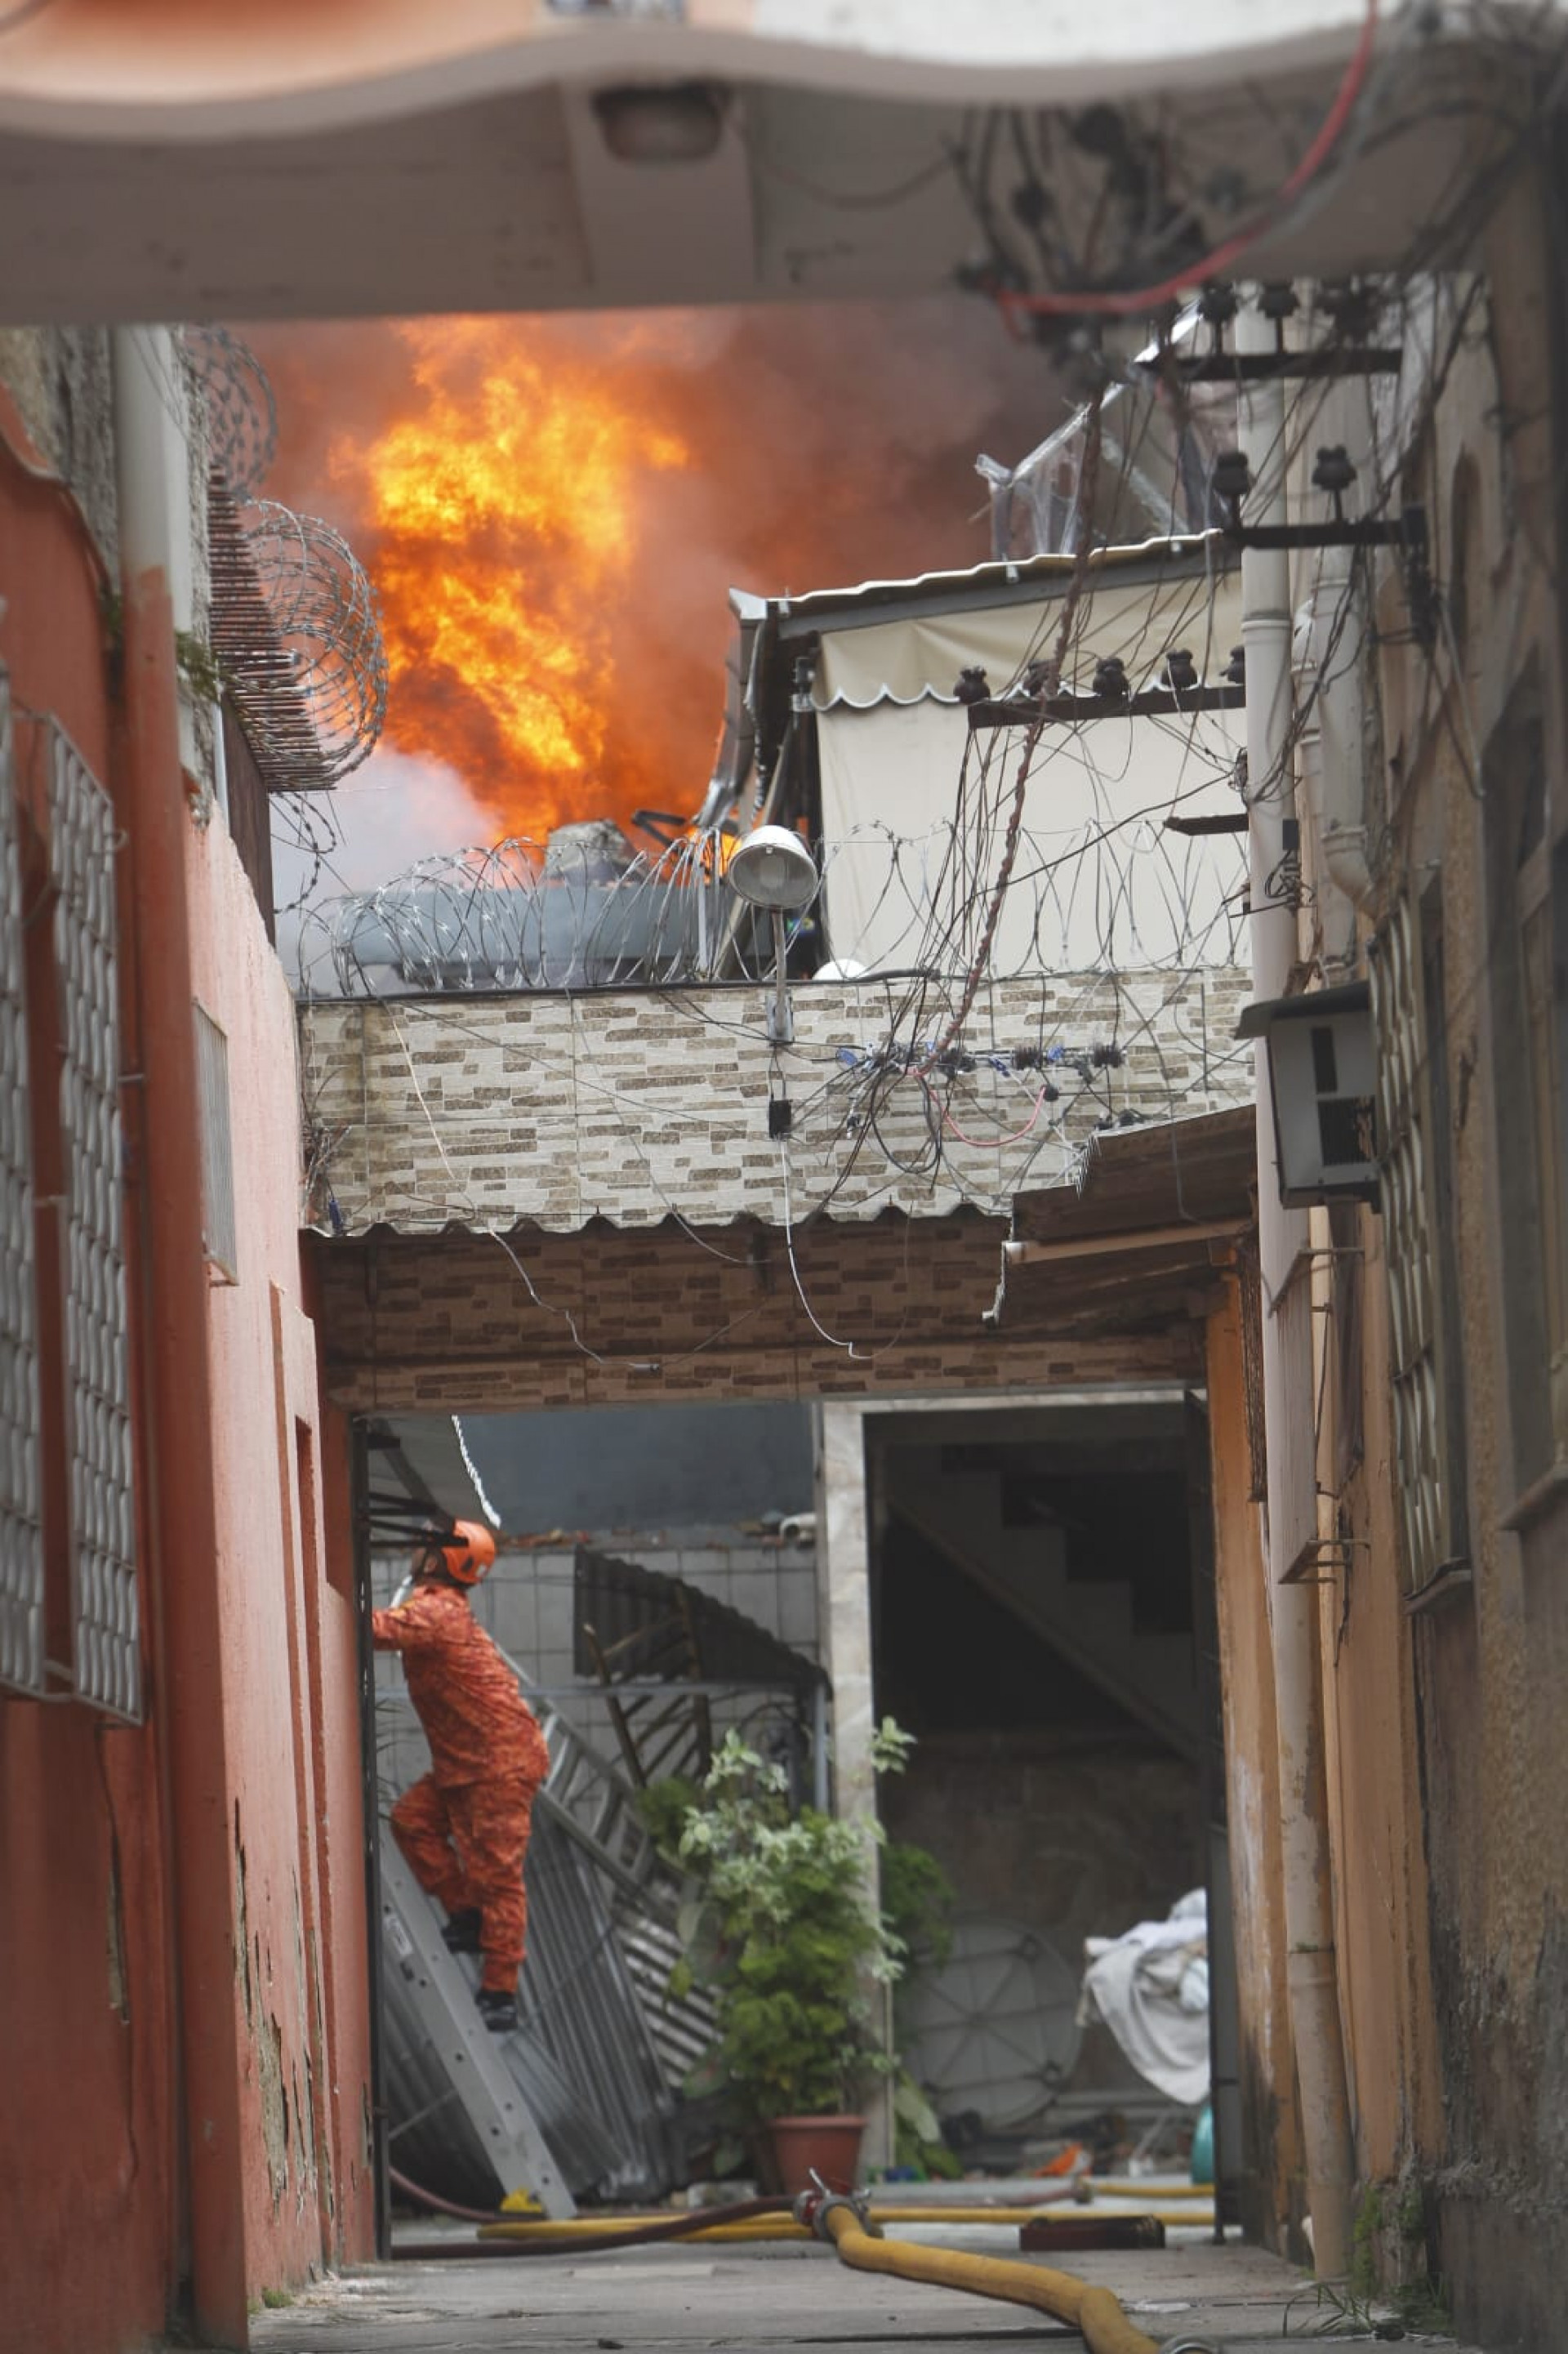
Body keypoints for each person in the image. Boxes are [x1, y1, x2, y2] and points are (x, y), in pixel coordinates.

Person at [372, 1519, 549, 2033]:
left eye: (423, 1547)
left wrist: (320, 1602)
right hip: (468, 1764)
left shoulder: (438, 1611)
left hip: (496, 1766)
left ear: (437, 1561)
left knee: (498, 1878)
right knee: (412, 1823)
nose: (414, 1552)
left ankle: (500, 1994)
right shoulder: (442, 1610)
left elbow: (379, 1629)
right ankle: (466, 1915)